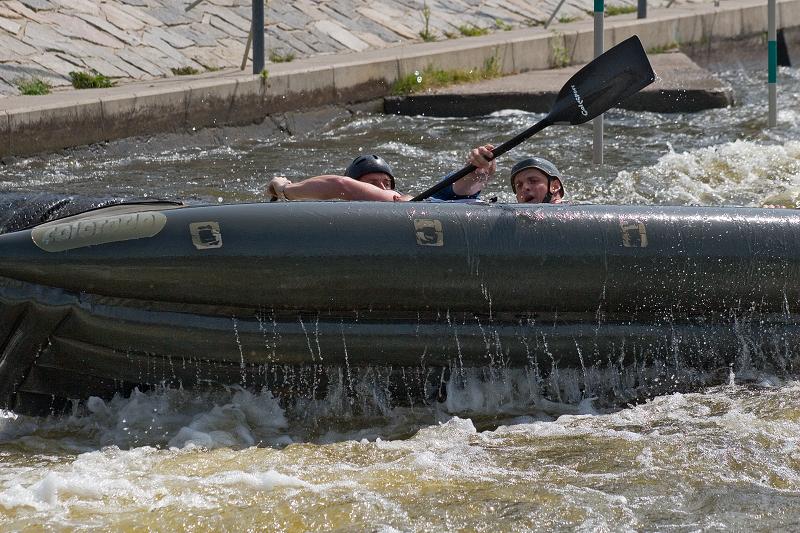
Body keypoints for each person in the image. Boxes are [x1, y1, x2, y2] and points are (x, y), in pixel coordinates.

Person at [266, 145, 496, 202]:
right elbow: (341, 185)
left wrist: (483, 163)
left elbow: (471, 182)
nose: (383, 189)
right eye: (372, 183)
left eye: (386, 182)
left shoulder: (407, 199)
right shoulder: (351, 192)